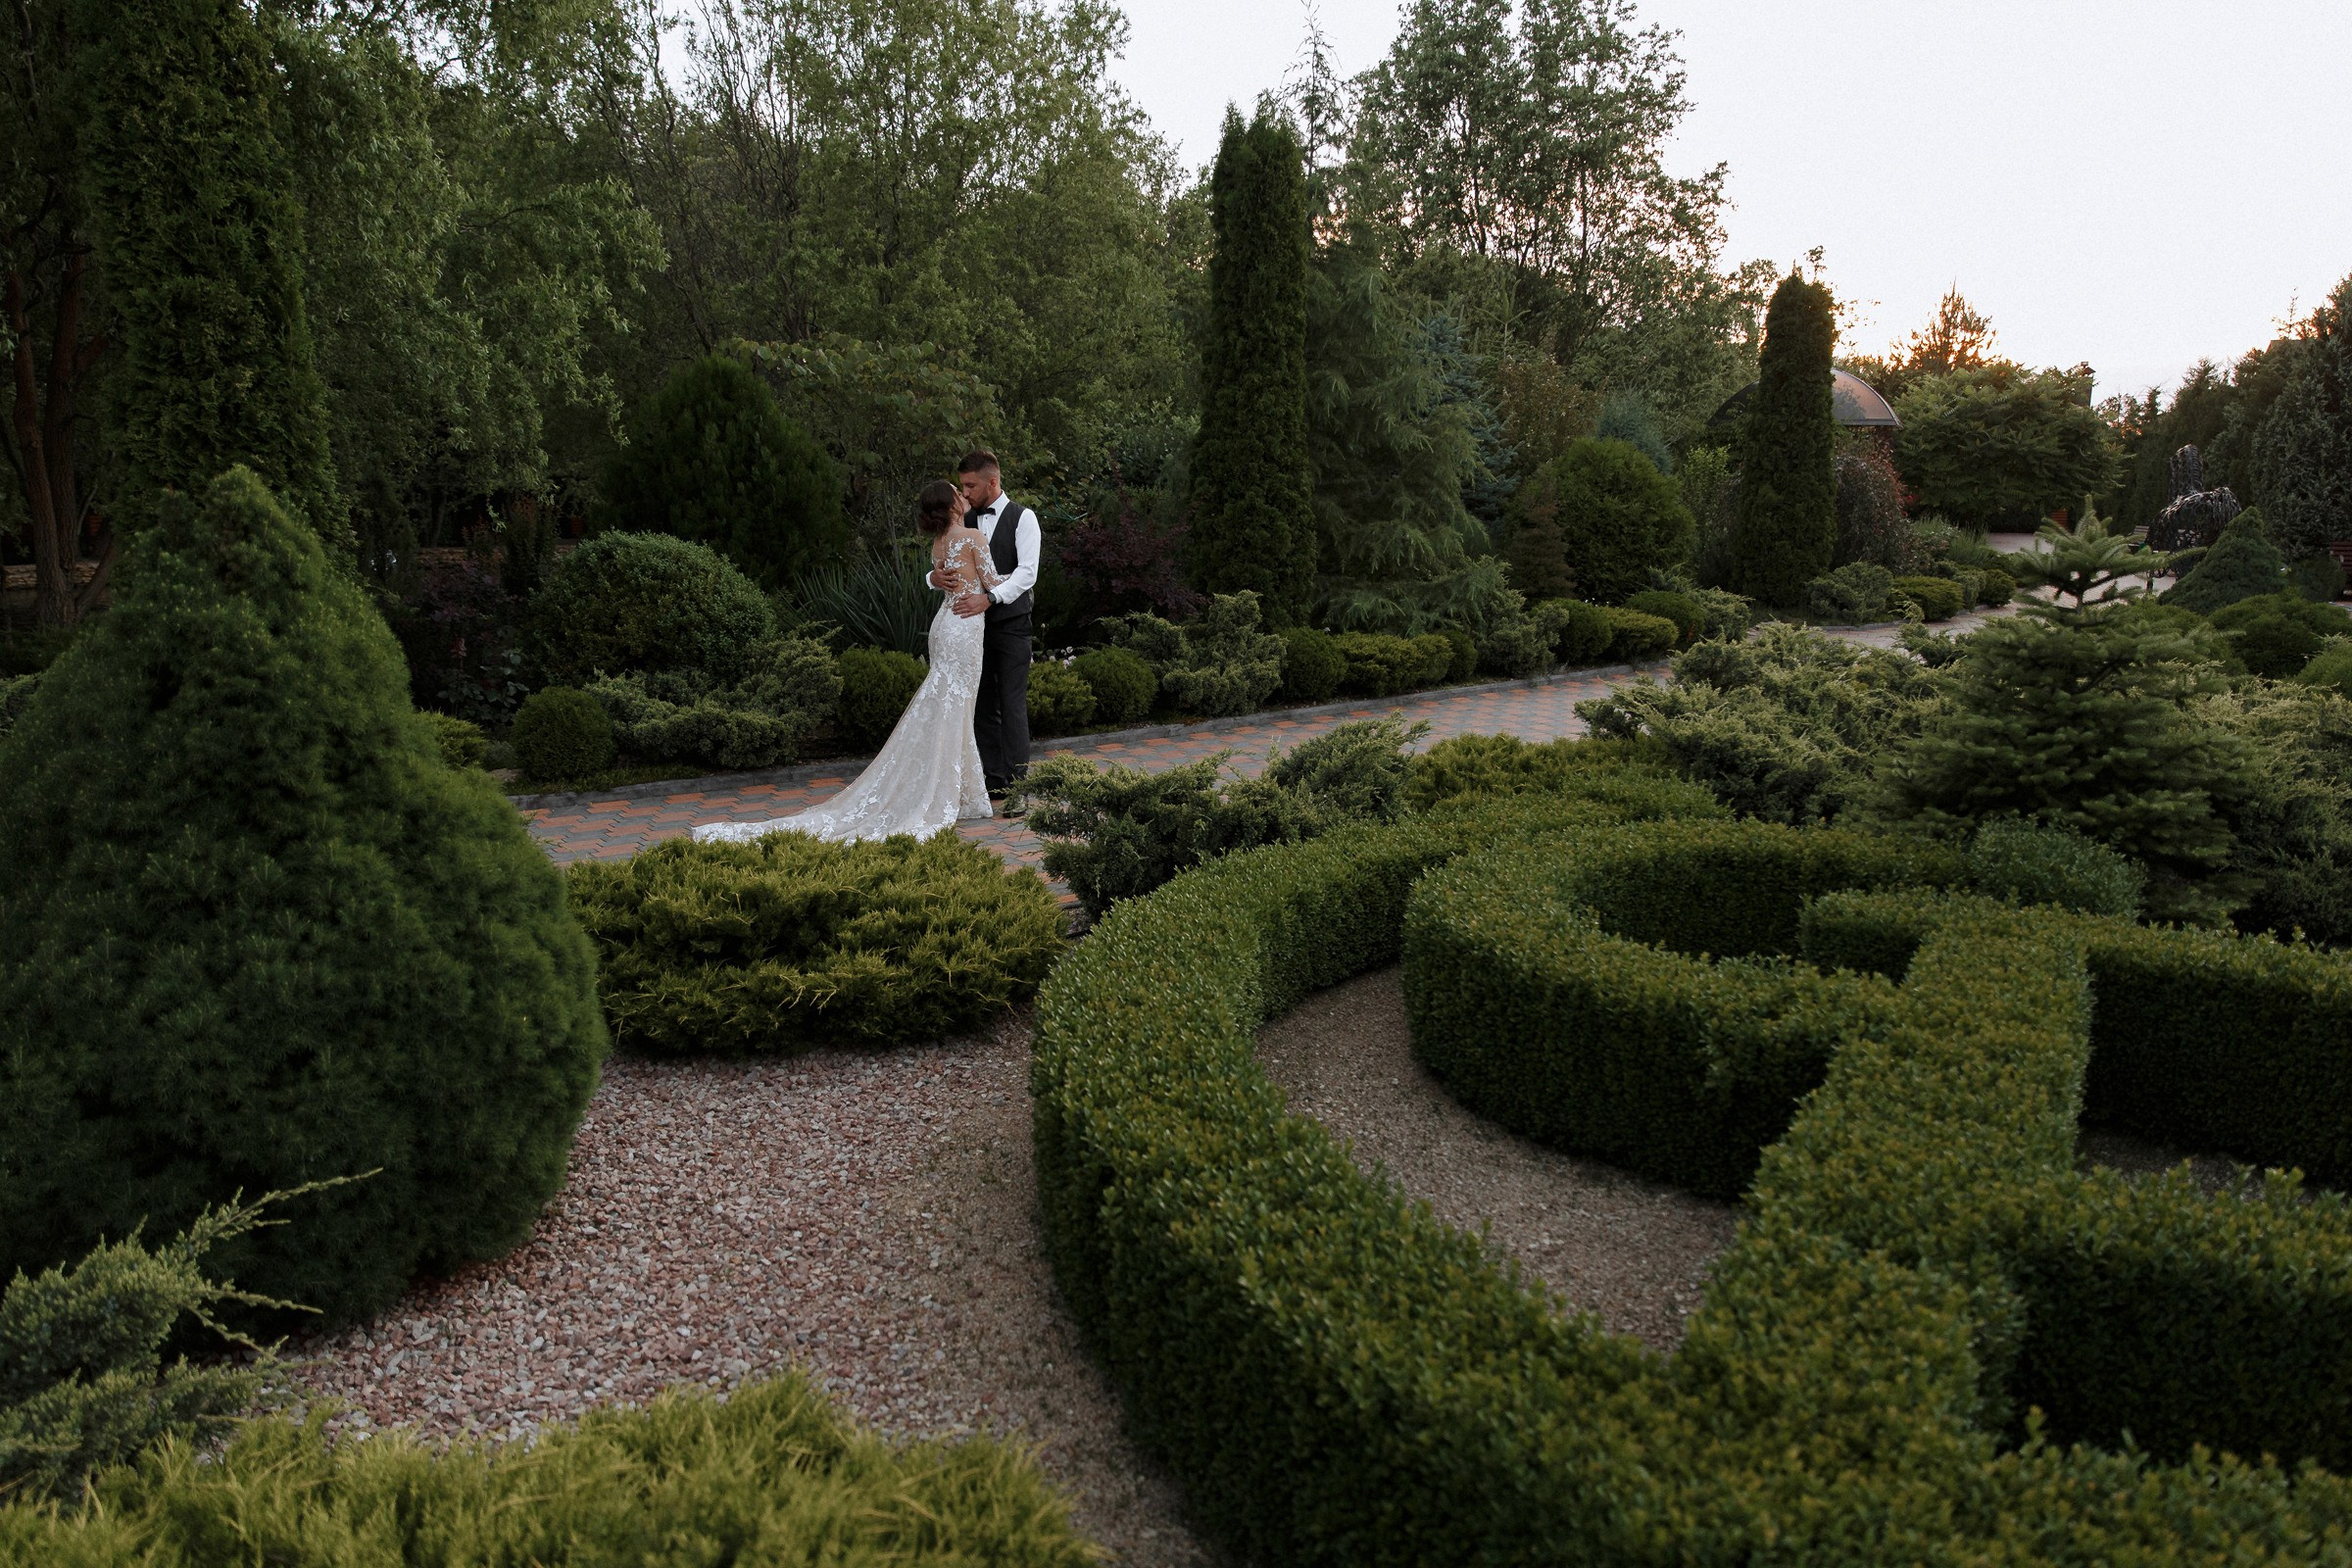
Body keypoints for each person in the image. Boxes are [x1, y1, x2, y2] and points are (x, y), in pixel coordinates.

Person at [691, 480, 998, 845]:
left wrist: (935, 578)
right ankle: (949, 794)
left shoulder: (938, 543)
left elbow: (947, 578)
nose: (964, 496)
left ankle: (964, 793)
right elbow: (993, 582)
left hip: (945, 626)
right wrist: (1025, 574)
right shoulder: (973, 537)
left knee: (952, 708)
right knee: (957, 708)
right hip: (964, 628)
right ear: (951, 506)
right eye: (957, 493)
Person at [944, 450, 1040, 798]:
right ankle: (994, 781)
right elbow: (944, 562)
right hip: (973, 628)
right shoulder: (963, 522)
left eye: (971, 486)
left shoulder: (1023, 518)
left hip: (1012, 626)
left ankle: (1019, 787)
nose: (965, 493)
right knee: (983, 705)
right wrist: (933, 578)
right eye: (962, 485)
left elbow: (1027, 573)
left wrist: (990, 598)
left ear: (993, 482)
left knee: (1012, 705)